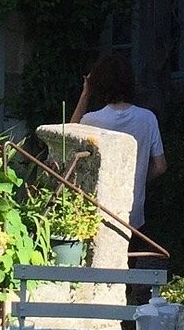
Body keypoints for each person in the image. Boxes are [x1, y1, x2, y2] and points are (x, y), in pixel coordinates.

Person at [69, 52, 166, 231]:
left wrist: (85, 94)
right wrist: (137, 179)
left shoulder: (92, 120)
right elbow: (160, 166)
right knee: (131, 257)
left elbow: (68, 136)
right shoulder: (148, 118)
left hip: (99, 209)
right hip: (133, 212)